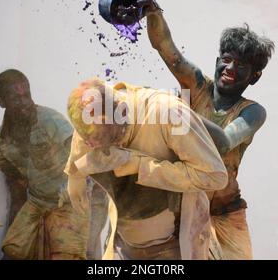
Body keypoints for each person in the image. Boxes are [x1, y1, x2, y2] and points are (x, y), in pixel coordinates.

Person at [128, 0, 275, 259]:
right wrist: (154, 13)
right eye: (228, 60)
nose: (231, 69)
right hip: (179, 209)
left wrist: (174, 109)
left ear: (254, 76)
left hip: (224, 213)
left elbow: (221, 143)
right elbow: (167, 50)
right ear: (218, 60)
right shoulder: (197, 86)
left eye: (241, 66)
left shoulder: (252, 112)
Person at [65, 78, 228, 260]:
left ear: (123, 112)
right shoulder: (95, 113)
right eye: (92, 143)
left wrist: (141, 166)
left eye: (108, 139)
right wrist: (74, 175)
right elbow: (84, 136)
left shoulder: (169, 113)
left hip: (177, 245)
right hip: (124, 243)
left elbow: (214, 176)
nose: (96, 146)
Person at [0, 69, 88, 259]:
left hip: (69, 203)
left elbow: (82, 155)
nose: (25, 103)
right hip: (37, 201)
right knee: (12, 251)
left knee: (67, 255)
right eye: (16, 98)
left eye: (27, 95)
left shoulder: (51, 121)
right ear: (1, 102)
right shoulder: (1, 140)